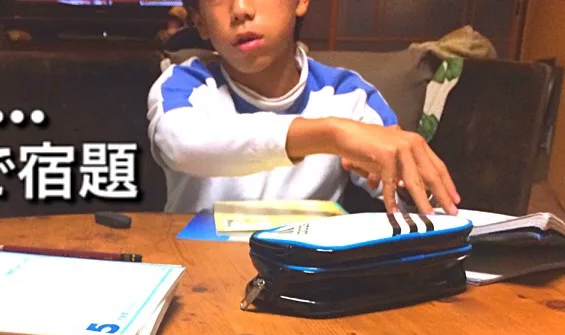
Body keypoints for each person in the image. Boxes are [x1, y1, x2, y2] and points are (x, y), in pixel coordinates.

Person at [147, 0, 460, 216]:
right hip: (197, 273)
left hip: (306, 280)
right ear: (201, 23)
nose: (240, 9)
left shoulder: (348, 96)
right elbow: (179, 144)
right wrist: (330, 135)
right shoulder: (185, 83)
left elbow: (409, 199)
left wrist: (408, 184)